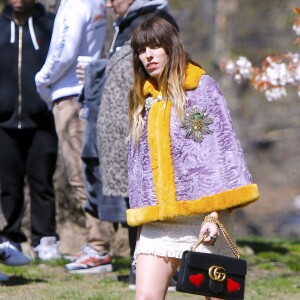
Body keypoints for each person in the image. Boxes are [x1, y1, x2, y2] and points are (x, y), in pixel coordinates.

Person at [127, 16, 260, 299]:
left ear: (171, 47)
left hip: (204, 217)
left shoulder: (201, 89)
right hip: (159, 222)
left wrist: (214, 213)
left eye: (154, 46)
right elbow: (139, 169)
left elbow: (220, 153)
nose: (147, 55)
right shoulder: (144, 98)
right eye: (141, 50)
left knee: (217, 295)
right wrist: (142, 222)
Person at [80, 0, 178, 287]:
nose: (109, 3)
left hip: (149, 126)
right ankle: (142, 267)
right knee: (134, 199)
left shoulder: (154, 20)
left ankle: (159, 271)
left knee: (150, 201)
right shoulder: (126, 23)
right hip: (129, 125)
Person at [35, 0, 112, 274]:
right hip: (85, 94)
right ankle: (98, 244)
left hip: (71, 97)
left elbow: (63, 52)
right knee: (88, 172)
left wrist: (41, 80)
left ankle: (99, 248)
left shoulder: (75, 4)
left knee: (81, 175)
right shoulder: (95, 2)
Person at [0, 0, 59, 261]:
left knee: (42, 182)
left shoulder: (50, 24)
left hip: (42, 120)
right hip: (4, 122)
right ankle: (10, 240)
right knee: (9, 186)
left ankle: (44, 240)